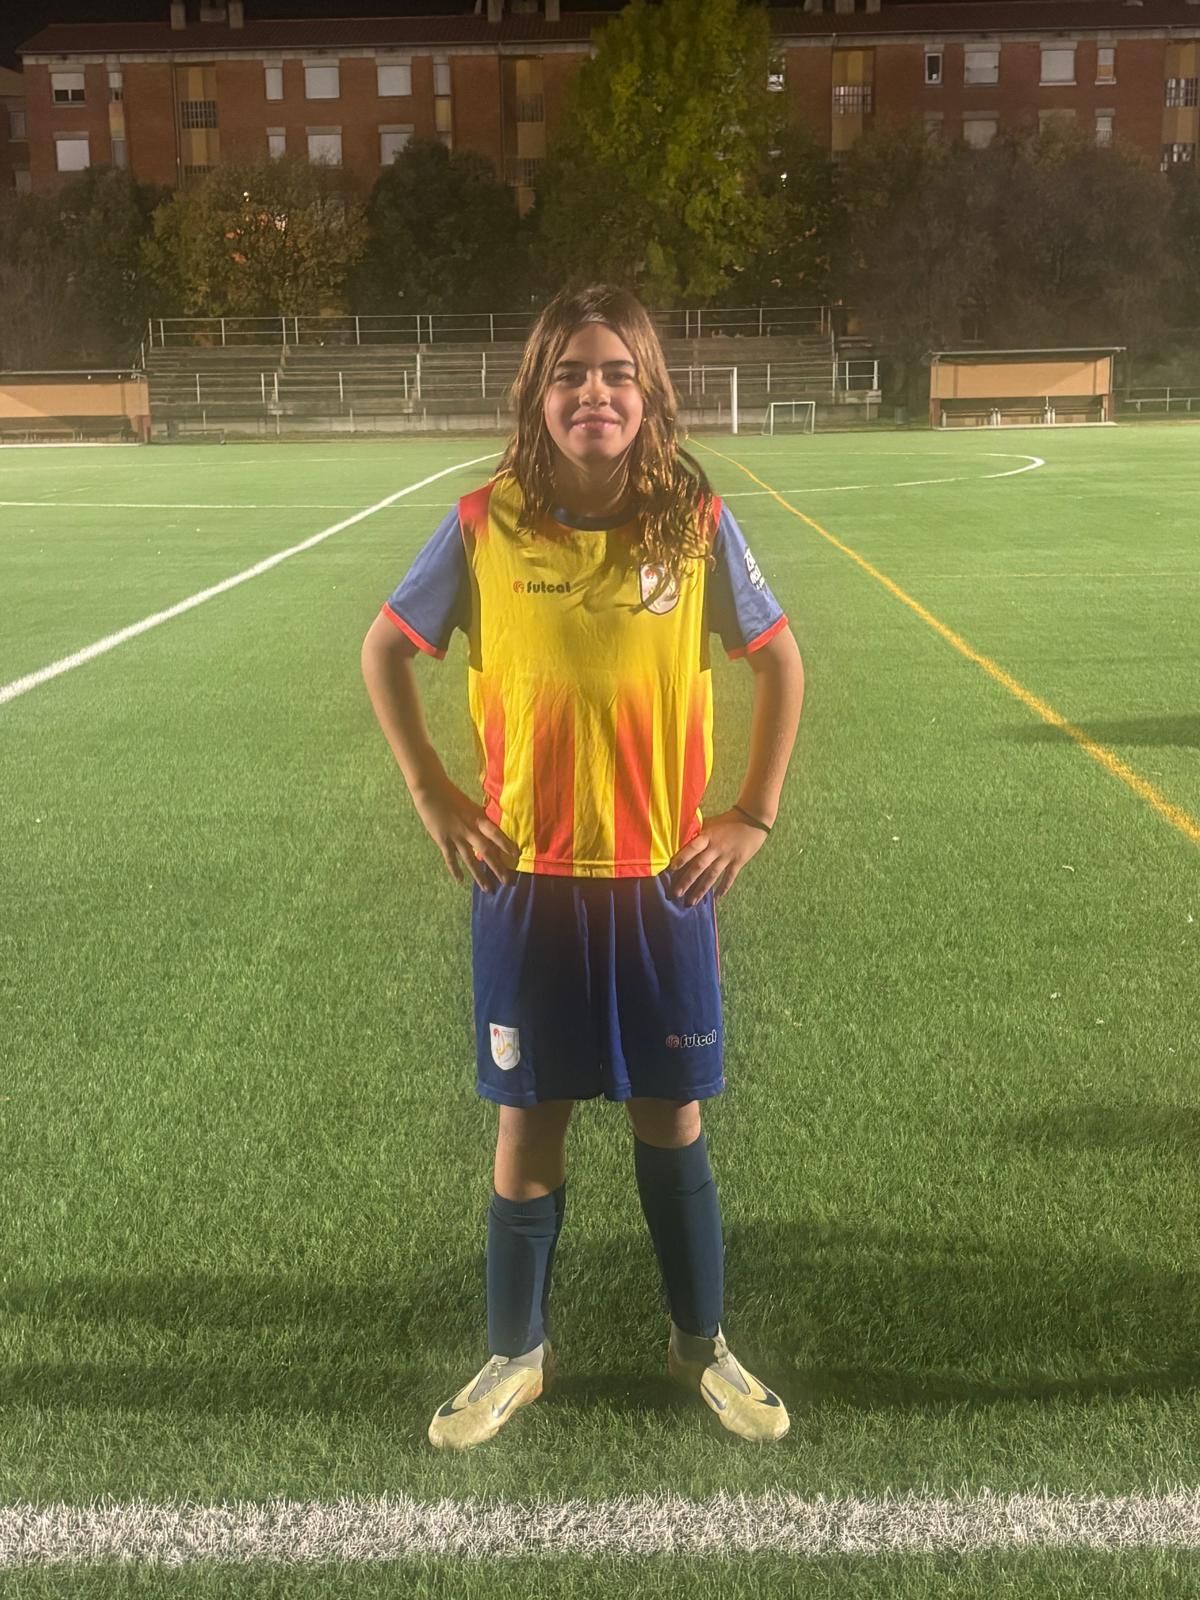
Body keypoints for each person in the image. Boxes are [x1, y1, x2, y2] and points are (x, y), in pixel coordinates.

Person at [361, 282, 805, 1451]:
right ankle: (516, 1354)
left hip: (663, 885)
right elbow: (384, 650)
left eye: (616, 372)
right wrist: (433, 792)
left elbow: (780, 660)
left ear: (649, 394)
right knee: (529, 1126)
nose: (593, 392)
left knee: (672, 1117)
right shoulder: (483, 524)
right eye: (569, 373)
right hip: (529, 886)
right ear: (537, 395)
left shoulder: (693, 523)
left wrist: (751, 814)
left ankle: (701, 1344)